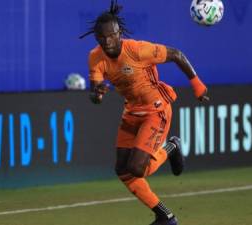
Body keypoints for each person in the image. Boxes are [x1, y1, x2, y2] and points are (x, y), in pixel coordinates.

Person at [80, 1, 209, 224]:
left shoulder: (138, 50)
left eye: (111, 35)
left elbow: (177, 54)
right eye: (102, 37)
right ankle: (165, 217)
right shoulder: (95, 57)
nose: (107, 41)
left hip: (156, 110)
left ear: (119, 32)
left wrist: (197, 85)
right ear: (96, 37)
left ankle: (171, 147)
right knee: (122, 169)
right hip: (132, 112)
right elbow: (96, 97)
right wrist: (96, 94)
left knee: (137, 169)